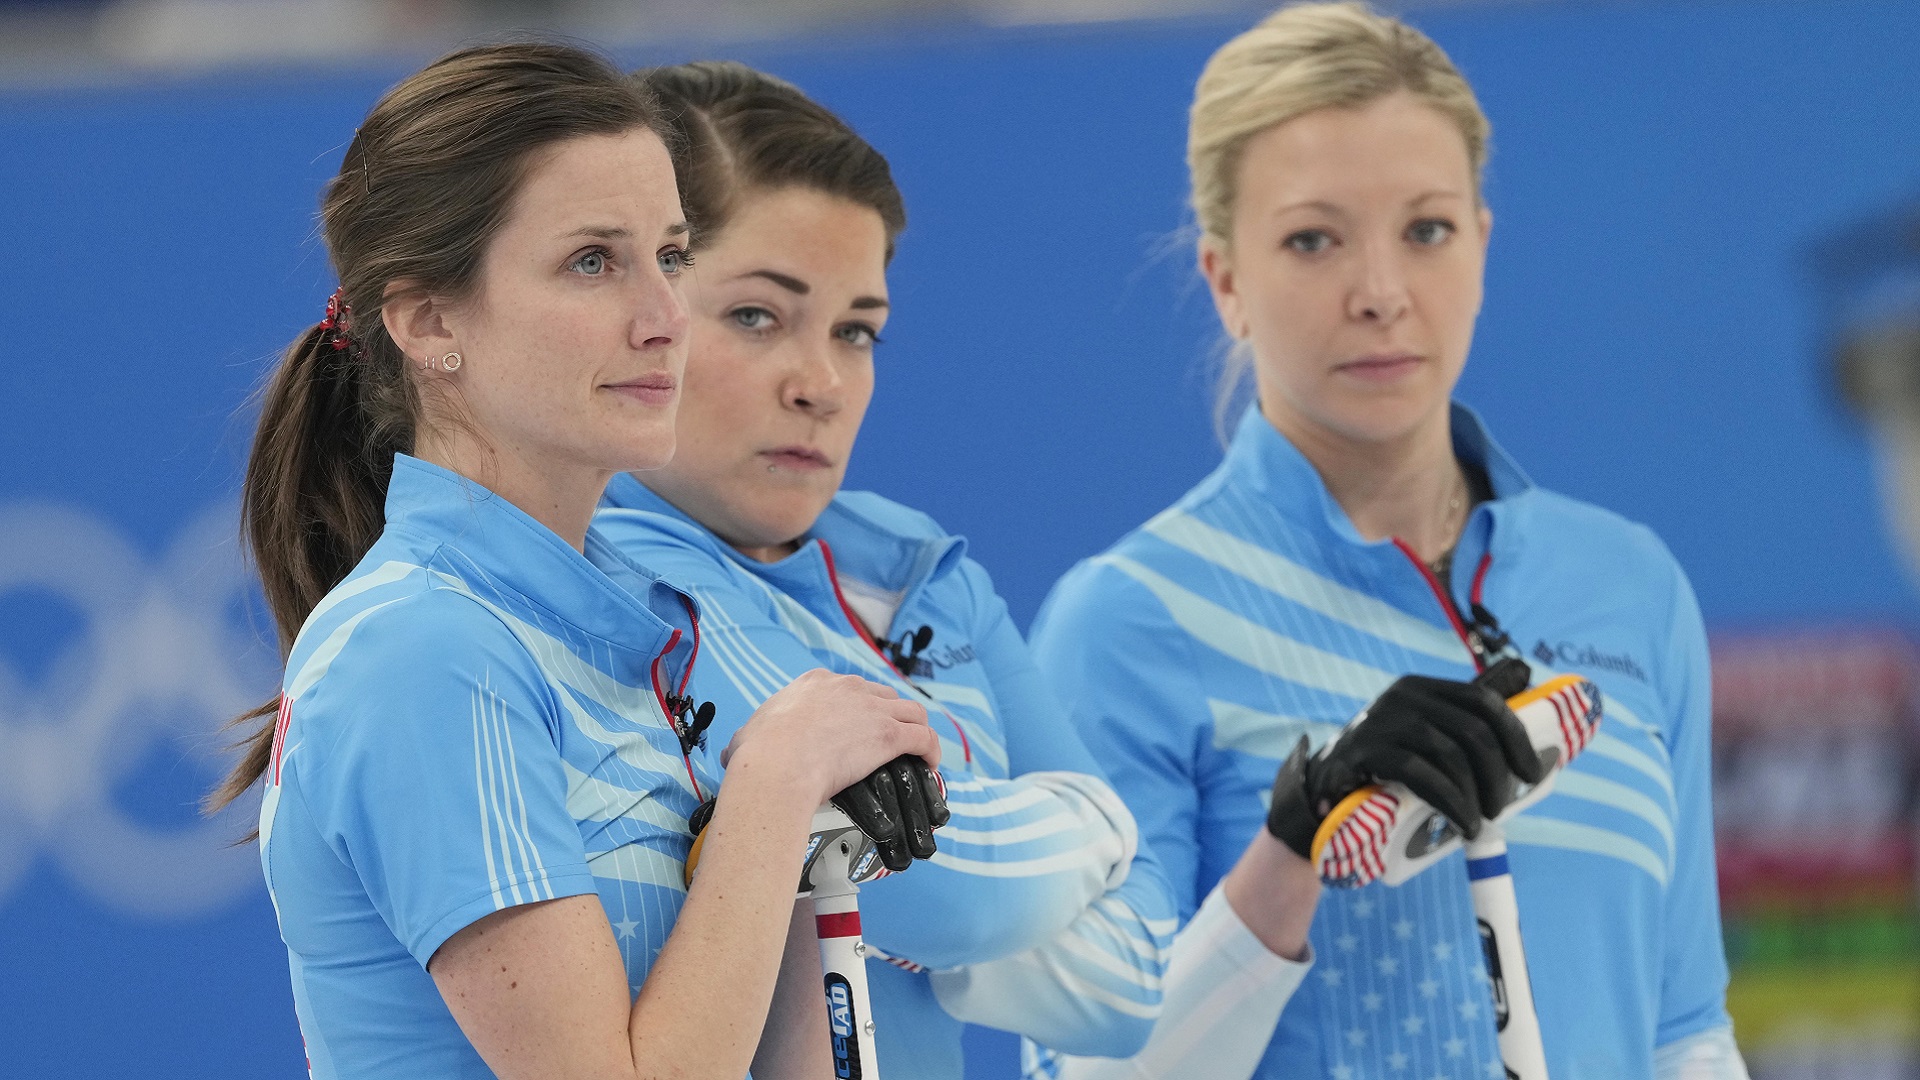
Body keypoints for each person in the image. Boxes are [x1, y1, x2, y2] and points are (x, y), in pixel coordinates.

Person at [1026, 4, 1747, 1079]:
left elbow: (1683, 1030)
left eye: (1426, 230)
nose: (1380, 294)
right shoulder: (1128, 623)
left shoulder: (1628, 584)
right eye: (1313, 239)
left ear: (1483, 246)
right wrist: (1288, 855)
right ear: (1226, 279)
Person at [204, 43, 940, 1080]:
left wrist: (809, 838)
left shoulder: (630, 619)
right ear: (427, 321)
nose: (665, 318)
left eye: (672, 256)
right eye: (594, 261)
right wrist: (776, 784)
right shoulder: (426, 650)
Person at [592, 60, 1178, 1080]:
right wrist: (1097, 826)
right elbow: (957, 900)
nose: (821, 383)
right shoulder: (602, 582)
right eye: (758, 316)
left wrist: (902, 905)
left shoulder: (922, 568)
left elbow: (1133, 982)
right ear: (645, 310)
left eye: (857, 331)